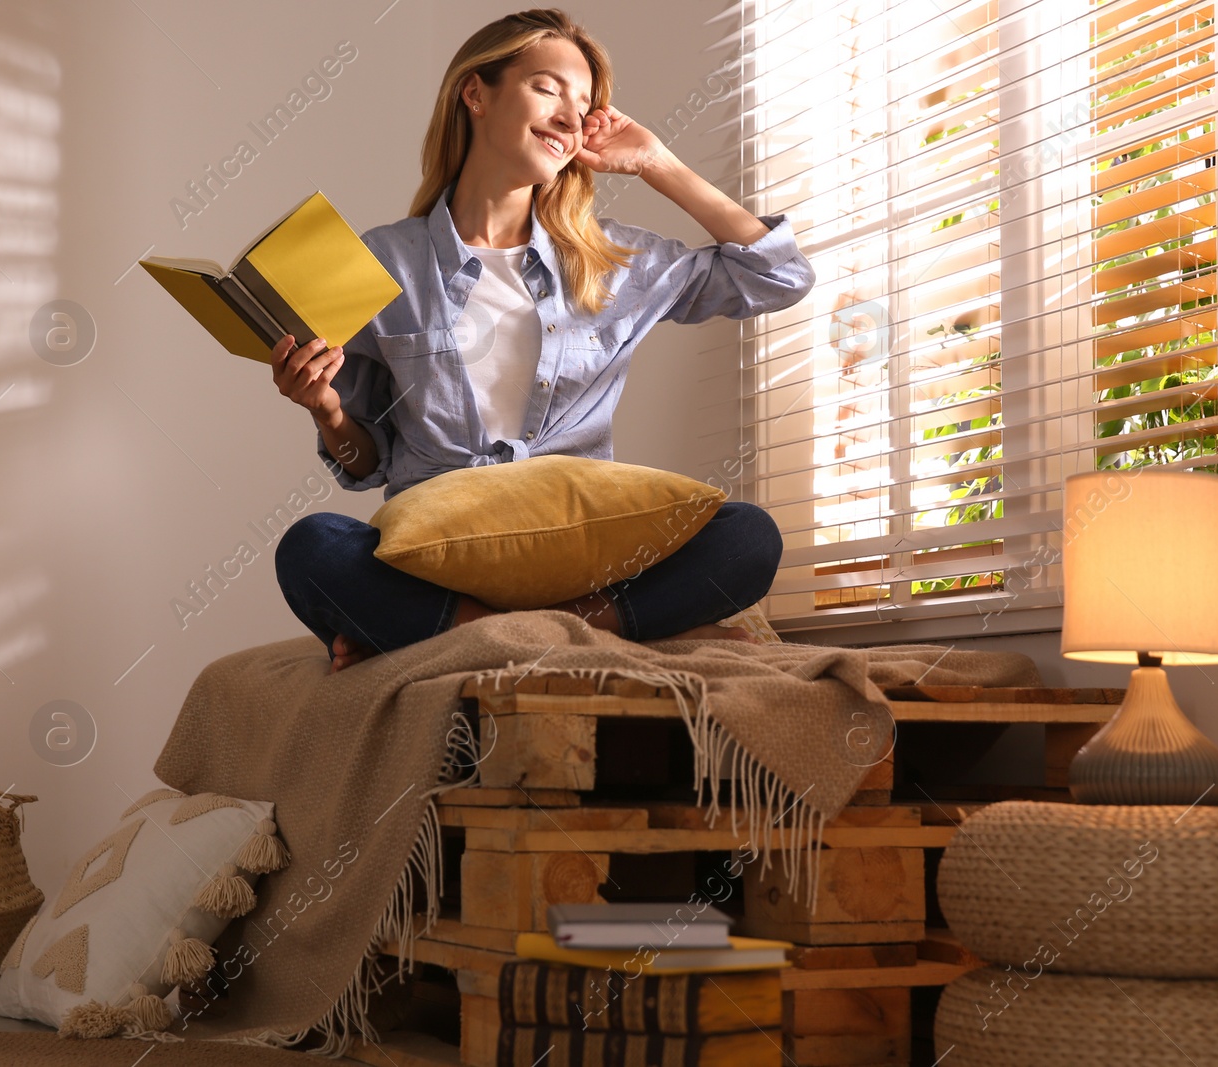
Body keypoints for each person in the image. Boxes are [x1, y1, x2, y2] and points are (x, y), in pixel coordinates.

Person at [272, 8, 815, 671]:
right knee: (313, 545)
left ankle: (466, 636)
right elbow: (367, 462)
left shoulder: (612, 261)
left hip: (582, 561)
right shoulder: (381, 262)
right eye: (547, 87)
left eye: (583, 103)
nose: (569, 115)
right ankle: (578, 633)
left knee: (746, 536)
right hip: (439, 560)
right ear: (475, 93)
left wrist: (657, 162)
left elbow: (779, 276)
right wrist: (324, 409)